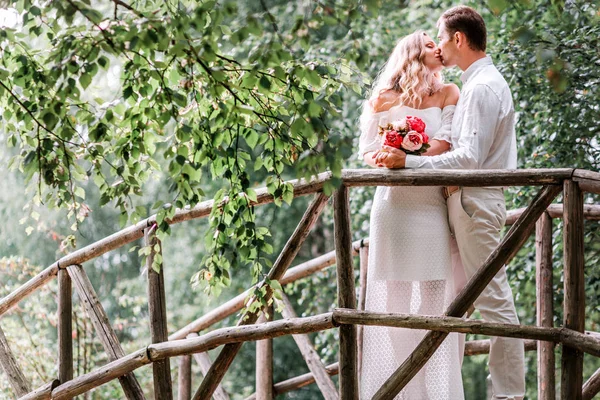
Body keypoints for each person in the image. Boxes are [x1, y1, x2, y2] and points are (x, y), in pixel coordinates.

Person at [378, 6, 526, 400]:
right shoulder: (478, 83)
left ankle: (508, 396)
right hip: (463, 205)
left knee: (493, 299)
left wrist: (407, 160)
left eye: (441, 39)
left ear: (458, 39)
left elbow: (468, 159)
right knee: (456, 304)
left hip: (475, 203)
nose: (439, 49)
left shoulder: (481, 87)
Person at [358, 30, 465, 399]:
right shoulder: (384, 98)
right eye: (432, 44)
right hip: (393, 206)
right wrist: (386, 156)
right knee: (394, 296)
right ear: (416, 53)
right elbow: (367, 149)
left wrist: (410, 154)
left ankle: (430, 380)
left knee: (436, 292)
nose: (439, 49)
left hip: (430, 205)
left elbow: (447, 140)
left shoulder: (449, 92)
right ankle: (406, 382)